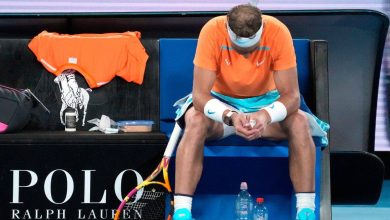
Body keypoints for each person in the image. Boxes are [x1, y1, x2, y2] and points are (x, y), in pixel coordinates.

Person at [172, 4, 329, 220]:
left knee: (300, 123)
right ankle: (182, 212)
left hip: (266, 108)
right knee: (195, 121)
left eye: (251, 49)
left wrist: (265, 115)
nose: (245, 55)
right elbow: (200, 96)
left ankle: (305, 211)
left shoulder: (278, 32)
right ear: (227, 27)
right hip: (222, 108)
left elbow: (291, 96)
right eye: (239, 49)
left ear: (261, 29)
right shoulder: (211, 30)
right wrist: (230, 116)